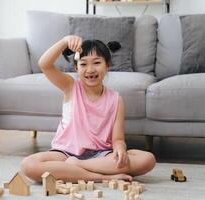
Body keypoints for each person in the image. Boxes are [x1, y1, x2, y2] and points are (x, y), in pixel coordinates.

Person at [21, 35, 156, 183]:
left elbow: (117, 139)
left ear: (107, 66)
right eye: (83, 64)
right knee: (29, 165)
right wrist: (65, 41)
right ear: (76, 68)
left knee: (147, 159)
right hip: (65, 153)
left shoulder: (116, 99)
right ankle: (100, 177)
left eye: (97, 63)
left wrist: (120, 148)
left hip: (101, 156)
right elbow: (44, 64)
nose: (90, 70)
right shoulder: (70, 87)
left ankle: (78, 168)